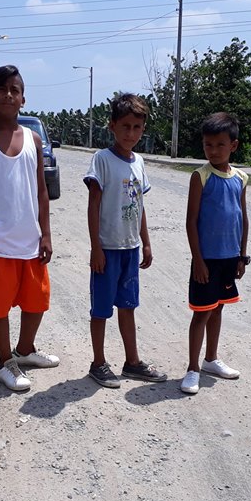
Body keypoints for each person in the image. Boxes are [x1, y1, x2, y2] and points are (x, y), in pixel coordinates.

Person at [0, 65, 59, 393]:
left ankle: (25, 349)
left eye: (14, 90)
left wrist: (46, 233)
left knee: (37, 301)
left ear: (23, 98)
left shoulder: (33, 140)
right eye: (1, 89)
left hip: (30, 241)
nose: (8, 95)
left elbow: (41, 191)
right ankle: (6, 362)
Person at [83, 93, 167, 388]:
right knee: (101, 310)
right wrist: (96, 247)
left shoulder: (139, 162)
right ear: (112, 126)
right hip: (107, 249)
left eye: (137, 127)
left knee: (128, 306)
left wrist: (146, 242)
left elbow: (139, 206)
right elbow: (93, 205)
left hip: (130, 248)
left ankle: (132, 362)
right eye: (125, 126)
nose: (131, 133)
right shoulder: (102, 160)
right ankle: (98, 363)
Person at [180, 112, 250, 395]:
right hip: (206, 260)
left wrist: (242, 256)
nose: (213, 150)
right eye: (208, 144)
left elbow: (243, 217)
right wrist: (198, 260)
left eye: (220, 144)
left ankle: (211, 359)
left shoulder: (241, 178)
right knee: (201, 313)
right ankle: (192, 368)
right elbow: (191, 221)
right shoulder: (201, 176)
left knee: (218, 307)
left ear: (233, 145)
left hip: (229, 258)